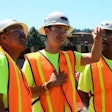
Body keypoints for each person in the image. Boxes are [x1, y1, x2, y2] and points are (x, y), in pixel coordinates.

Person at [22, 11, 104, 112]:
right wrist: (48, 85)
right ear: (47, 30)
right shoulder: (32, 60)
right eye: (58, 29)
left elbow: (94, 57)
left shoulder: (70, 57)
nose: (62, 34)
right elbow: (24, 93)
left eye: (64, 31)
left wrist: (98, 39)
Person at [78, 20, 112, 112]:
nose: (103, 39)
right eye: (101, 35)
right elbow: (82, 91)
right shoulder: (91, 64)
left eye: (107, 35)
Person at [0, 19, 32, 112]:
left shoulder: (14, 66)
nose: (23, 34)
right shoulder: (2, 59)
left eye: (23, 32)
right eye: (18, 31)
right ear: (4, 38)